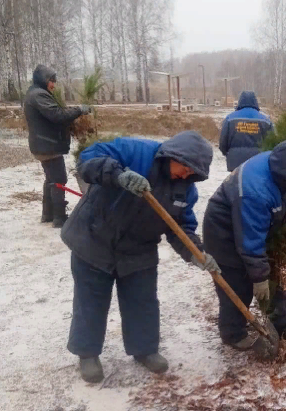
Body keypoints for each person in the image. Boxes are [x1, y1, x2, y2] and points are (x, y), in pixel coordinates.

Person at [60, 131, 220, 383]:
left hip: (139, 248)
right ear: (173, 155)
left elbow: (182, 228)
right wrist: (118, 174)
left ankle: (144, 349)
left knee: (142, 300)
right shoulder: (136, 151)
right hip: (94, 236)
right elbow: (88, 158)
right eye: (185, 168)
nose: (186, 175)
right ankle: (87, 353)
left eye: (193, 174)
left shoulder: (185, 192)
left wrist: (195, 253)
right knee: (91, 300)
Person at [203, 136, 286, 352]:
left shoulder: (281, 166)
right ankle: (233, 333)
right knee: (236, 282)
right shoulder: (254, 192)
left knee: (271, 276)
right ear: (285, 172)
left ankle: (284, 324)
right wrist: (258, 278)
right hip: (222, 230)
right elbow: (250, 242)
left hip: (251, 225)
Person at [24, 64, 92, 228]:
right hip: (47, 145)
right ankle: (60, 218)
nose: (53, 85)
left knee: (51, 179)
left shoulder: (35, 93)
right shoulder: (39, 95)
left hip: (42, 144)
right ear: (43, 80)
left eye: (54, 81)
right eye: (51, 81)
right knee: (59, 179)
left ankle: (48, 214)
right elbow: (57, 115)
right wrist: (79, 110)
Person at [219, 91, 273, 171]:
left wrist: (229, 154)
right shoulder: (266, 120)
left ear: (240, 101)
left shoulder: (230, 119)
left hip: (235, 162)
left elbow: (223, 142)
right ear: (255, 102)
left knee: (237, 182)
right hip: (258, 162)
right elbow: (272, 143)